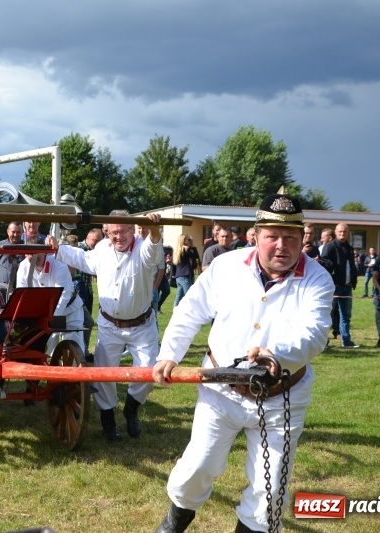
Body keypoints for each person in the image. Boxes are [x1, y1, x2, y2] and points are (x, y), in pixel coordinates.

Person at [152, 189, 334, 533]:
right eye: (273, 237)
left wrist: (275, 354)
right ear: (256, 235)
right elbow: (189, 312)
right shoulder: (226, 266)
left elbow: (315, 334)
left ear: (302, 237)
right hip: (220, 391)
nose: (281, 246)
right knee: (197, 467)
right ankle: (172, 527)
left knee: (270, 490)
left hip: (283, 397)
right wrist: (168, 356)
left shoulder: (318, 279)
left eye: (291, 237)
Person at [46, 210, 163, 442]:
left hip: (142, 326)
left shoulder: (142, 248)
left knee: (150, 372)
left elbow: (153, 248)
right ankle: (108, 419)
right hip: (110, 325)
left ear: (132, 230)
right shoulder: (102, 250)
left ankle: (131, 409)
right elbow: (83, 259)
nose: (119, 236)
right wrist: (57, 248)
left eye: (123, 231)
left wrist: (155, 230)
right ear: (107, 231)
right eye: (114, 232)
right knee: (103, 373)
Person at [16, 235, 84, 356]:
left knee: (74, 342)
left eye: (38, 253)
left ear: (45, 252)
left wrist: (51, 319)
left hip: (70, 310)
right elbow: (23, 293)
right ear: (25, 254)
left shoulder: (59, 266)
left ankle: (75, 372)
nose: (35, 256)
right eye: (31, 254)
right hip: (43, 312)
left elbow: (63, 295)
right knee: (48, 347)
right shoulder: (23, 267)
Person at [321, 223, 359, 348]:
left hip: (347, 286)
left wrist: (353, 280)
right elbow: (324, 263)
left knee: (346, 315)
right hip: (334, 286)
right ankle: (323, 341)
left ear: (348, 233)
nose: (342, 234)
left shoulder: (349, 247)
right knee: (328, 314)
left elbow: (351, 266)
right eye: (340, 231)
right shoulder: (330, 246)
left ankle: (346, 341)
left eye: (345, 232)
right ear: (336, 232)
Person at [77, 228, 104, 361]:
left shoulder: (97, 251)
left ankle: (84, 350)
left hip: (87, 289)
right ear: (87, 238)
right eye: (94, 240)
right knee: (85, 322)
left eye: (99, 241)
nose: (97, 243)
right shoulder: (80, 247)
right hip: (78, 292)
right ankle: (83, 351)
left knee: (86, 322)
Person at [173, 234, 199, 307]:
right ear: (183, 241)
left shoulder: (179, 250)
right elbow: (195, 255)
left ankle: (175, 313)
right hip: (184, 276)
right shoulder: (185, 250)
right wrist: (192, 245)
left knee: (178, 297)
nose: (190, 241)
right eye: (188, 240)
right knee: (189, 296)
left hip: (179, 276)